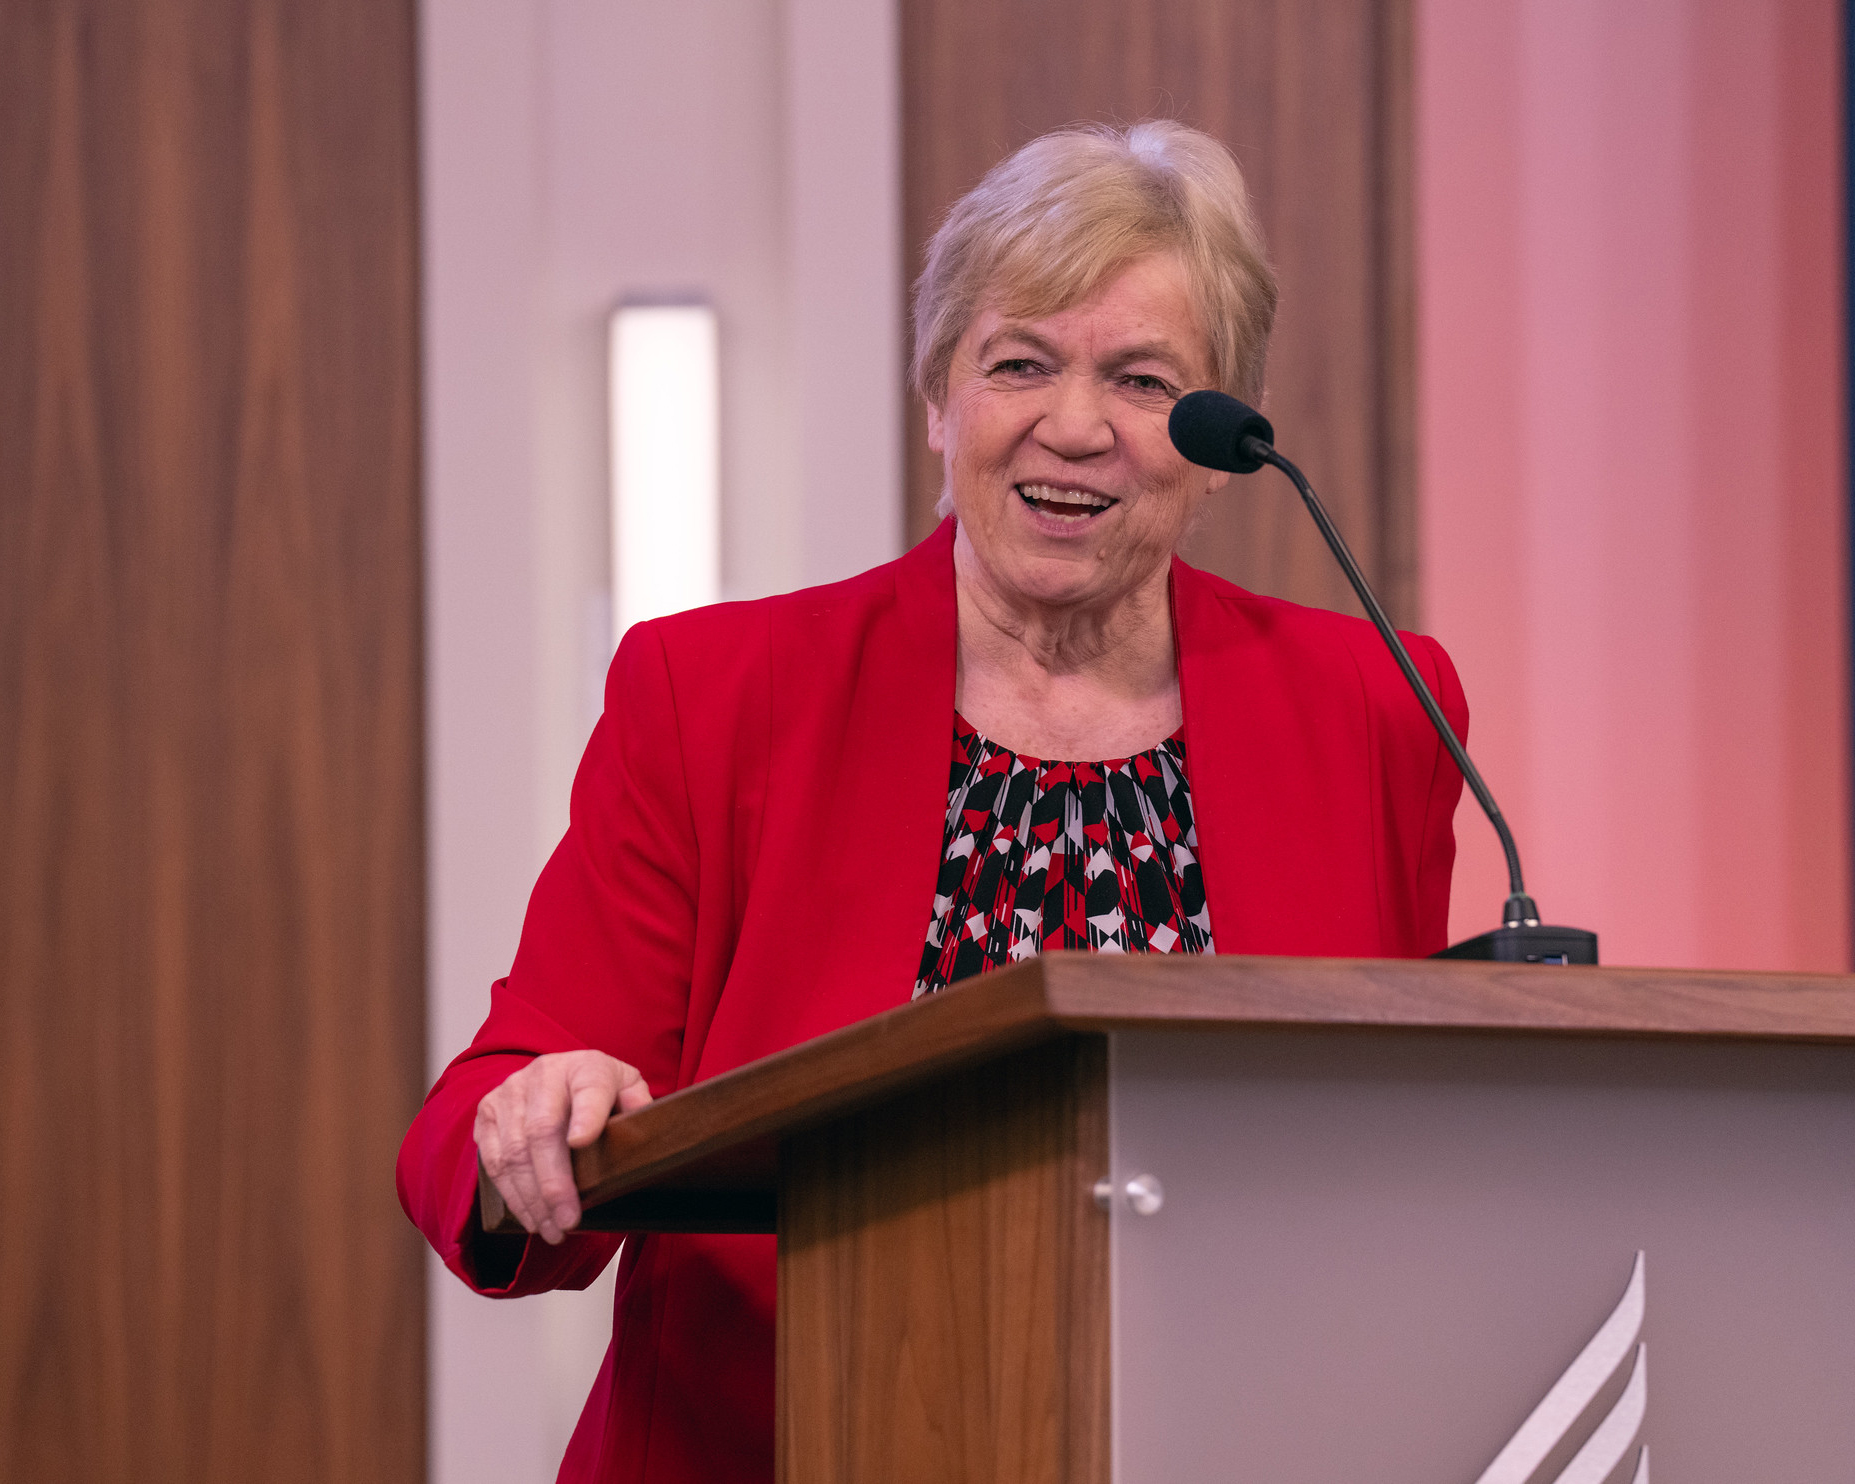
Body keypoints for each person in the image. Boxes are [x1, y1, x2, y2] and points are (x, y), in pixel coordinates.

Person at [398, 119, 1466, 1484]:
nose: (1072, 425)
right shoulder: (715, 691)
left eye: (1144, 381)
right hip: (782, 1439)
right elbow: (495, 1104)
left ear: (1216, 442)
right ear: (937, 403)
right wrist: (532, 1118)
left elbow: (1410, 1147)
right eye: (1017, 362)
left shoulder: (1375, 706)